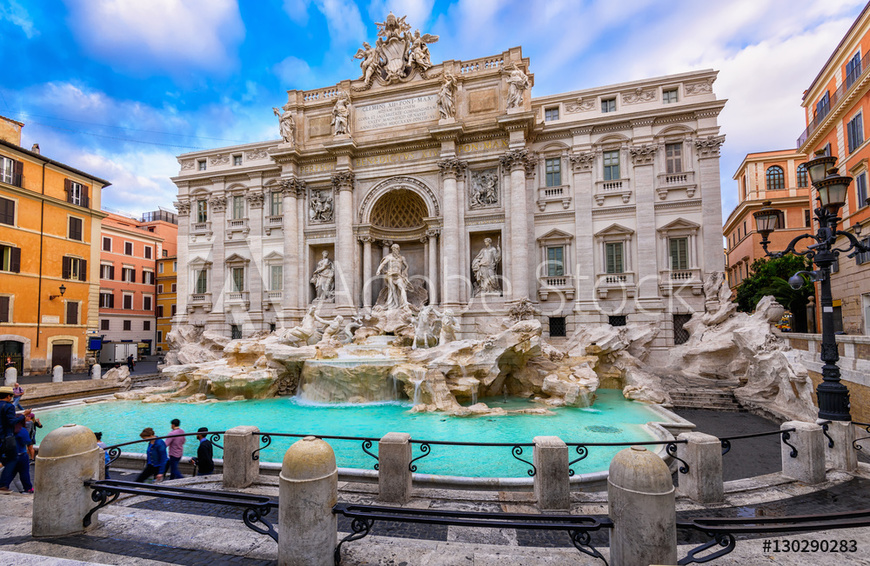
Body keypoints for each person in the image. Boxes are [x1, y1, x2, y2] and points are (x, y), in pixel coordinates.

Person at [0, 386, 25, 492]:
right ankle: (3, 485)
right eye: (11, 396)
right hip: (5, 437)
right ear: (8, 396)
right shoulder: (9, 406)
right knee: (12, 459)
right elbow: (11, 422)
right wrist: (23, 416)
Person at [376, 244, 410, 309]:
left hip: (398, 275)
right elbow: (382, 264)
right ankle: (393, 305)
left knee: (402, 287)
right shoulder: (389, 257)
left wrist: (405, 271)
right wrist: (379, 270)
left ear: (398, 249)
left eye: (396, 249)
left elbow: (406, 266)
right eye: (394, 249)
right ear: (392, 249)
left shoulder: (402, 258)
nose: (395, 250)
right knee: (392, 289)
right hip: (390, 274)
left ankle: (405, 302)